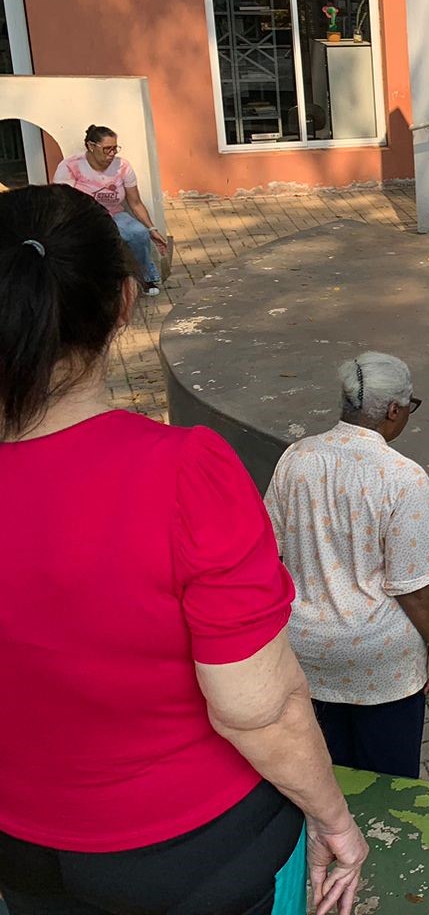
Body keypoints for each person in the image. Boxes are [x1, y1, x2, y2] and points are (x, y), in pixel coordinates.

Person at [0, 184, 366, 915]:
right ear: (124, 303)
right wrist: (335, 820)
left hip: (20, 840)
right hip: (193, 853)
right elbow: (256, 709)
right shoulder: (183, 473)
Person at [267, 352, 429, 780]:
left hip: (306, 651)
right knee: (389, 785)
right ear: (393, 410)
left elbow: (266, 548)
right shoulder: (403, 477)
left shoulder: (296, 458)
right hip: (380, 660)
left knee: (324, 775)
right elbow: (414, 588)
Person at [53, 124, 169, 297]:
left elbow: (135, 202)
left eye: (115, 148)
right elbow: (63, 200)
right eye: (107, 149)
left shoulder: (123, 166)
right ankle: (97, 285)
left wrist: (151, 228)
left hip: (114, 213)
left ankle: (146, 278)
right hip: (84, 217)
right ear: (91, 146)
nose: (112, 154)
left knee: (138, 233)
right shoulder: (70, 166)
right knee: (91, 242)